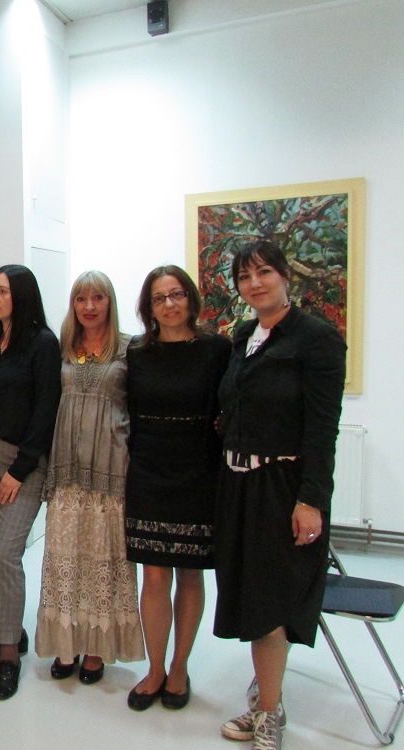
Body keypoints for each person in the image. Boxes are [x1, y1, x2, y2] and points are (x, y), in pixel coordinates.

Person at [214, 240, 345, 750]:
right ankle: (269, 696)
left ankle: (268, 713)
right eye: (245, 277)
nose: (255, 284)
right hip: (237, 486)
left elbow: (322, 430)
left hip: (282, 488)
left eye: (264, 272)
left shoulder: (317, 339)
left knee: (269, 602)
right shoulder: (244, 337)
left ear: (286, 275)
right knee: (249, 596)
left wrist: (311, 500)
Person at [123, 265, 231, 711]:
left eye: (176, 294)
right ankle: (155, 669)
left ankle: (180, 667)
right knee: (153, 575)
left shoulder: (217, 349)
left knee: (189, 573)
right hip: (148, 471)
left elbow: (232, 404)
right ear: (148, 308)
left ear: (190, 299)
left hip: (198, 472)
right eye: (158, 298)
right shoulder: (136, 353)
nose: (169, 304)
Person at [36, 270, 144, 687]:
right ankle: (67, 643)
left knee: (104, 560)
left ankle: (97, 647)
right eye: (81, 299)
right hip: (66, 469)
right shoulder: (61, 348)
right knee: (65, 558)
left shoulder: (131, 350)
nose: (89, 306)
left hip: (110, 471)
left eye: (98, 298)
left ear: (110, 303)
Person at [0, 264, 61, 700]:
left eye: (3, 291)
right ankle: (12, 633)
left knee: (6, 553)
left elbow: (46, 410)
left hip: (21, 463)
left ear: (22, 295)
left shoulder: (43, 343)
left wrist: (20, 469)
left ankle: (9, 656)